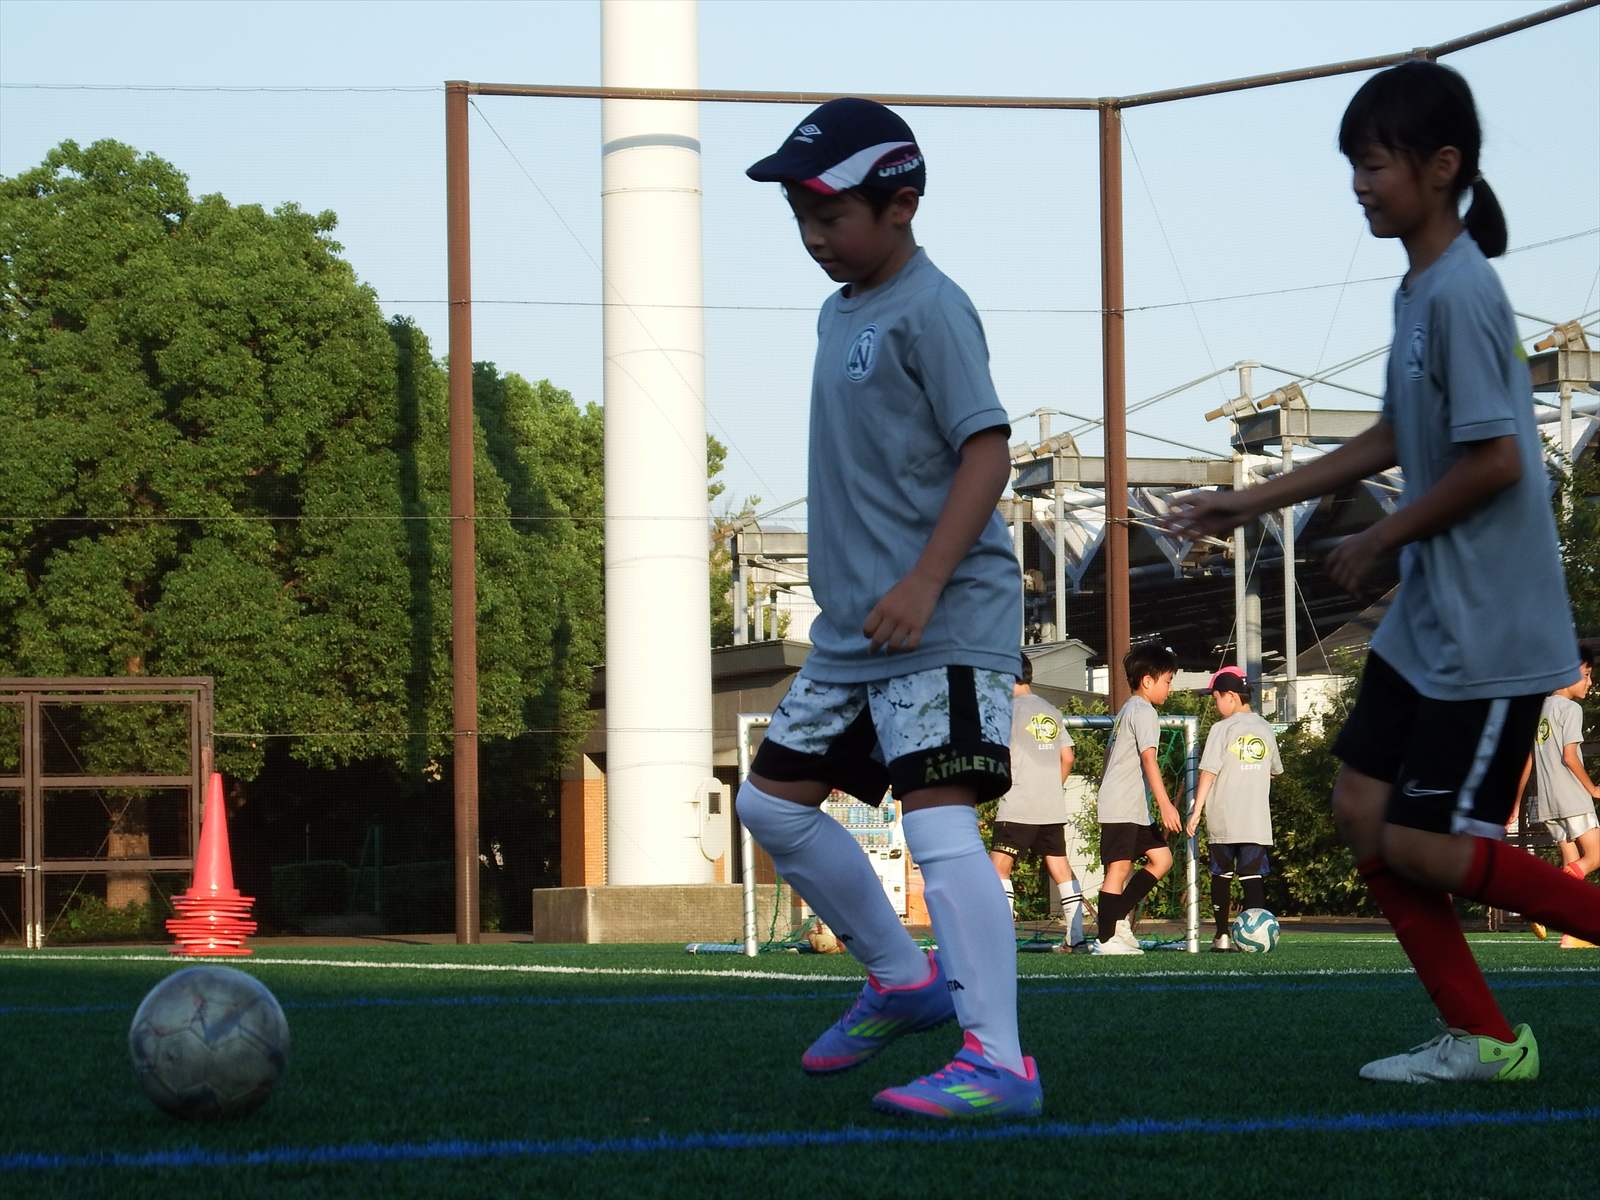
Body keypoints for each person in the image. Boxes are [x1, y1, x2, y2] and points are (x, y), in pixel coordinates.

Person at [1170, 60, 1600, 1084]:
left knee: (1423, 846)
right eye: (1354, 166)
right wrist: (1249, 501)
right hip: (1430, 622)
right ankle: (1482, 1037)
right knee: (1363, 814)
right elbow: (1391, 434)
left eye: (1374, 165)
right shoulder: (1417, 290)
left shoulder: (1463, 293)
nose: (1359, 186)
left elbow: (1499, 460)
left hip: (1490, 632)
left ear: (1440, 166)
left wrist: (1383, 536)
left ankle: (1487, 1036)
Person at [734, 97, 1041, 1119]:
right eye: (801, 219)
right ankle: (903, 980)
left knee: (937, 824)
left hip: (941, 621)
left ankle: (998, 1064)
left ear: (900, 205)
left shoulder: (932, 308)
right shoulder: (838, 311)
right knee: (770, 804)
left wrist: (922, 582)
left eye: (830, 216)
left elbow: (987, 452)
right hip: (853, 636)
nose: (814, 237)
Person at [1090, 642, 1182, 956]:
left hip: (1132, 806)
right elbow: (1148, 759)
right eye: (1167, 681)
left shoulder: (1128, 710)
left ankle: (1116, 920)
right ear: (1147, 681)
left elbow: (1109, 758)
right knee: (1118, 869)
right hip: (1123, 805)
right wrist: (1166, 804)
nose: (1170, 688)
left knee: (1162, 859)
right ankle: (1106, 939)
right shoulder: (1143, 711)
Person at [989, 654, 1086, 949]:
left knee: (999, 868)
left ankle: (1002, 938)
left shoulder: (1006, 711)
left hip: (1018, 802)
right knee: (1060, 868)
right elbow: (1068, 757)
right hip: (1050, 804)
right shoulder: (1051, 710)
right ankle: (1076, 937)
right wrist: (1051, 786)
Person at [1186, 667, 1283, 951]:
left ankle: (1222, 936)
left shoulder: (1221, 729)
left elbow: (1208, 772)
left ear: (1230, 696)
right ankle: (1256, 938)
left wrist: (1196, 810)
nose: (1216, 705)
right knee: (1253, 876)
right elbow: (1274, 771)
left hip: (1224, 816)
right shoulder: (1265, 728)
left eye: (1216, 698)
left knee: (1222, 874)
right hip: (1255, 820)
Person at [1513, 646, 1598, 948]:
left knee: (1573, 864)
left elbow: (1528, 760)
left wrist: (1515, 803)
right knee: (1596, 856)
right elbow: (1569, 756)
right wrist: (1593, 789)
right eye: (1586, 675)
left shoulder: (1541, 709)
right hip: (1573, 798)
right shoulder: (1571, 709)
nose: (1590, 682)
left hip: (1548, 802)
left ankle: (1572, 935)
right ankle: (1539, 901)